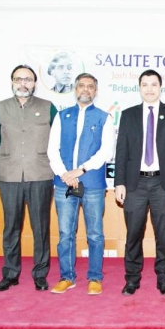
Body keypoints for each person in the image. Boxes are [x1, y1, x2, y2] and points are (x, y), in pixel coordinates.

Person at [114, 69, 165, 296]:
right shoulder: (128, 115)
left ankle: (164, 279)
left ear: (160, 87)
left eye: (153, 84)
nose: (149, 88)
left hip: (162, 184)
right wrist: (119, 183)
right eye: (144, 84)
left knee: (163, 234)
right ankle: (132, 279)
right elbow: (121, 150)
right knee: (133, 233)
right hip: (134, 184)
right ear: (139, 87)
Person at [0, 64, 58, 292]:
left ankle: (40, 274)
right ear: (12, 82)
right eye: (19, 79)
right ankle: (10, 274)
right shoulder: (0, 108)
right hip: (10, 175)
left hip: (39, 174)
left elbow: (55, 139)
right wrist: (14, 155)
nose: (23, 83)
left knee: (40, 228)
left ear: (34, 83)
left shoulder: (48, 107)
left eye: (28, 79)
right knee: (11, 227)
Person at [48, 73, 115, 295]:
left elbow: (106, 152)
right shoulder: (61, 116)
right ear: (75, 89)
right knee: (66, 233)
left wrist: (81, 169)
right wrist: (64, 174)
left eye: (90, 86)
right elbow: (52, 150)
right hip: (63, 183)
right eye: (81, 86)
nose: (85, 89)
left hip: (93, 183)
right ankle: (67, 277)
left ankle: (95, 277)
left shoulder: (104, 118)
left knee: (95, 233)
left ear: (96, 91)